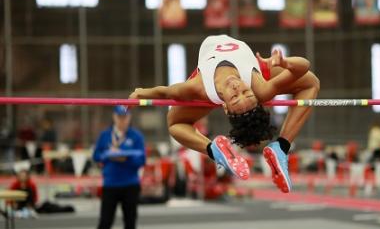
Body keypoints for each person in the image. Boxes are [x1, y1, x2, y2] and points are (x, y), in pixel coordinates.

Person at [129, 34, 320, 193]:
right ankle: (279, 147)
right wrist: (284, 63)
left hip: (210, 77)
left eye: (235, 97)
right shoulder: (260, 89)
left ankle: (216, 151)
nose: (237, 88)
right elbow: (304, 67)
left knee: (174, 123)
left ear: (225, 106)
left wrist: (142, 92)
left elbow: (166, 92)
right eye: (245, 92)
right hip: (249, 67)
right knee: (311, 82)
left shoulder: (198, 87)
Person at [82, 106, 146, 229]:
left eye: (125, 117)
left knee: (130, 221)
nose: (122, 120)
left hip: (130, 185)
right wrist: (108, 155)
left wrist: (124, 158)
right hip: (110, 184)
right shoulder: (105, 135)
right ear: (114, 117)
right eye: (119, 117)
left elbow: (141, 160)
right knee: (105, 221)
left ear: (129, 118)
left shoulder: (136, 136)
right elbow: (96, 155)